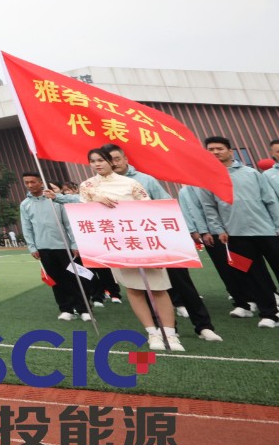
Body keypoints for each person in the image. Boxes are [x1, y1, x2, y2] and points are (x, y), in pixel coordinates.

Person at [104, 145, 221, 342]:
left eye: (116, 159)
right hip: (133, 245)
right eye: (109, 160)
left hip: (162, 241)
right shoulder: (103, 187)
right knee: (148, 288)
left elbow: (166, 205)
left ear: (125, 159)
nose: (114, 163)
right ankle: (165, 329)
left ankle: (203, 326)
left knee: (182, 284)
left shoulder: (145, 180)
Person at [79, 147, 182, 352]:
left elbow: (149, 209)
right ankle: (152, 333)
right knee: (134, 289)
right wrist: (95, 202)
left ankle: (170, 334)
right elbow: (84, 217)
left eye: (101, 160)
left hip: (143, 241)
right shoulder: (87, 187)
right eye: (93, 161)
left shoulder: (131, 183)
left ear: (111, 161)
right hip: (116, 244)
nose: (97, 164)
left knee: (159, 288)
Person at [194, 136, 279, 329]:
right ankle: (269, 314)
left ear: (230, 151)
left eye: (219, 148)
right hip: (235, 235)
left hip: (266, 231)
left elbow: (270, 200)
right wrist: (218, 230)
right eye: (211, 149)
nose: (215, 152)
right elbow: (209, 208)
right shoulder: (207, 179)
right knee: (254, 275)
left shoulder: (252, 173)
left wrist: (277, 225)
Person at [18, 173, 89, 322]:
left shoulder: (55, 200)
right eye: (26, 183)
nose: (30, 185)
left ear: (41, 182)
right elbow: (27, 227)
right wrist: (32, 247)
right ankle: (66, 309)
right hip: (43, 248)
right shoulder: (25, 204)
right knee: (56, 280)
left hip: (64, 246)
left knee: (74, 278)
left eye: (33, 182)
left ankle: (83, 309)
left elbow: (68, 224)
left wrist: (74, 244)